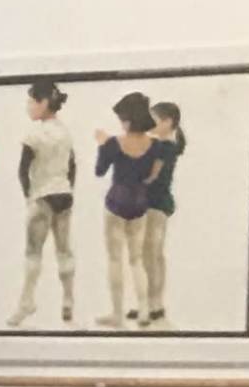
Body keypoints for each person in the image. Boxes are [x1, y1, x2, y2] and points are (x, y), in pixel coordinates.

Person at [10, 81, 78, 326]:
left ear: (44, 103)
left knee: (33, 252)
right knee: (64, 250)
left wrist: (29, 196)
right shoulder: (65, 131)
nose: (29, 106)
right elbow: (72, 166)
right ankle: (68, 299)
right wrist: (68, 187)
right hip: (64, 194)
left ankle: (26, 302)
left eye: (32, 101)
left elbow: (23, 170)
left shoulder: (34, 134)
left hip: (42, 195)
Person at [94, 92, 163, 326]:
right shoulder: (155, 145)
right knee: (136, 260)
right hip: (139, 204)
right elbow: (153, 175)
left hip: (116, 203)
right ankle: (143, 311)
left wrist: (102, 146)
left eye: (122, 118)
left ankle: (117, 313)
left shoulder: (114, 143)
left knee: (115, 260)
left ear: (128, 119)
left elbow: (99, 171)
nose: (120, 123)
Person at [137, 99, 186, 326]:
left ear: (167, 122)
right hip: (157, 203)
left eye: (153, 120)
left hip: (154, 203)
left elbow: (150, 177)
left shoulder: (162, 148)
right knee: (155, 255)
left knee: (151, 255)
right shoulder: (166, 147)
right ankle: (155, 304)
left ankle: (152, 305)